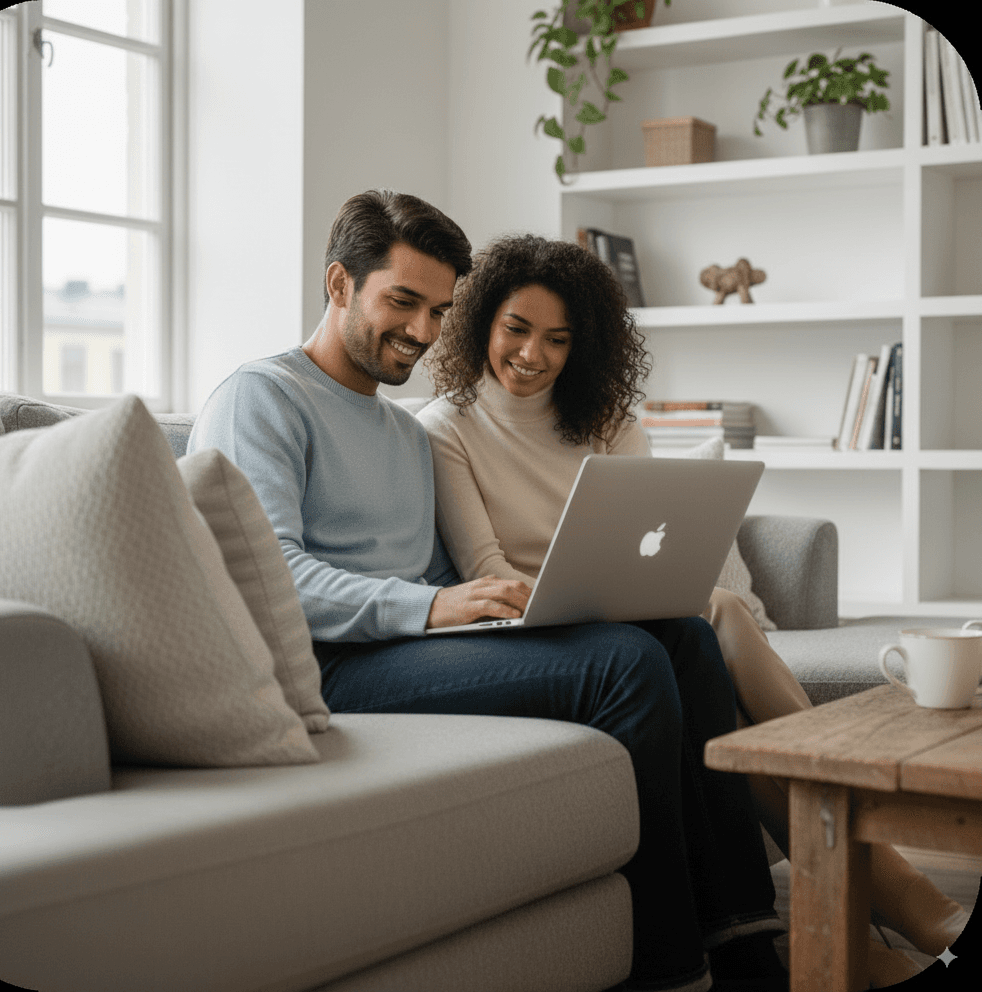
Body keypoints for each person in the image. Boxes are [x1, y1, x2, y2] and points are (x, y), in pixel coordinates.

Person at [188, 190, 791, 992]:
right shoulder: (261, 397)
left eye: (438, 310)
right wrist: (433, 606)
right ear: (338, 285)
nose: (422, 331)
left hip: (415, 648)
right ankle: (669, 969)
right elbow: (269, 578)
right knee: (623, 666)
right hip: (329, 668)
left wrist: (504, 607)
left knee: (678, 636)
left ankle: (745, 939)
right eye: (401, 302)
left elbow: (437, 572)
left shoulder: (404, 430)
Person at [417, 232, 969, 985]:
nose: (532, 355)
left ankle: (827, 919)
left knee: (716, 619)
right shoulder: (444, 427)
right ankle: (885, 892)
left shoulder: (606, 420)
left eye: (558, 339)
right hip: (536, 629)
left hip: (632, 615)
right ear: (482, 319)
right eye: (517, 328)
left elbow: (654, 539)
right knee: (710, 626)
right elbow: (486, 571)